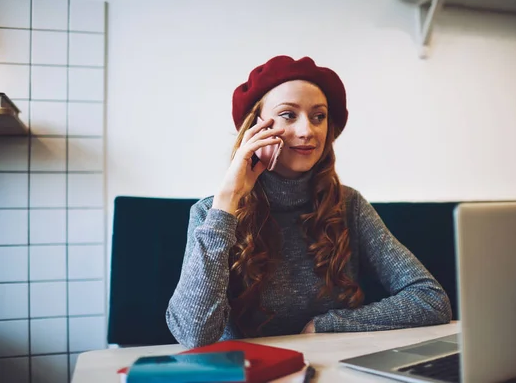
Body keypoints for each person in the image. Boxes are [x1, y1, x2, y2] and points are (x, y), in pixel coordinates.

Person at [166, 55, 452, 348]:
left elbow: (430, 299)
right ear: (256, 127)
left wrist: (327, 325)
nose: (307, 131)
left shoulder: (348, 205)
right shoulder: (210, 213)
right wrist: (227, 201)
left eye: (319, 117)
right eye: (289, 115)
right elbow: (194, 335)